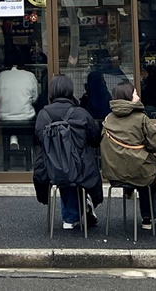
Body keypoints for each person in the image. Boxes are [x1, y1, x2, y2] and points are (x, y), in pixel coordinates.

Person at [33, 75, 102, 230]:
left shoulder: (43, 114)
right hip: (81, 168)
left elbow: (40, 139)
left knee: (62, 167)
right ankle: (78, 211)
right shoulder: (81, 113)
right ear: (70, 90)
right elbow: (95, 137)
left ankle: (72, 215)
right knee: (73, 168)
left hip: (51, 168)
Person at [100, 81, 156, 230]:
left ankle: (129, 190)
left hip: (113, 173)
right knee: (146, 177)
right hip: (138, 172)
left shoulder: (108, 119)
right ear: (128, 97)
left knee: (131, 165)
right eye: (135, 93)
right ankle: (147, 218)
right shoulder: (141, 118)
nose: (138, 95)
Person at [0, 48, 38, 151]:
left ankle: (13, 139)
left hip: (4, 117)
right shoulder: (30, 76)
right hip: (26, 116)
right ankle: (25, 151)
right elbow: (35, 98)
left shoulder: (0, 76)